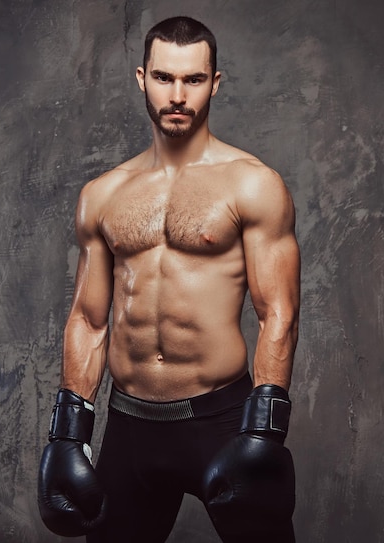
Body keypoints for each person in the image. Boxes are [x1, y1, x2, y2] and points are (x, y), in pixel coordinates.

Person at [37, 16, 301, 543]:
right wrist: (69, 432)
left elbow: (278, 312)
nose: (177, 95)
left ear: (215, 82)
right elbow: (89, 321)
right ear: (142, 78)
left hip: (221, 419)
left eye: (193, 80)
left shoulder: (252, 184)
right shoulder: (104, 194)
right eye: (163, 77)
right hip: (130, 425)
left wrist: (264, 429)